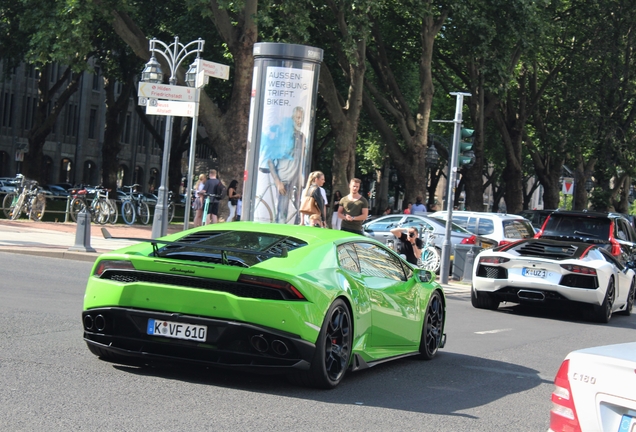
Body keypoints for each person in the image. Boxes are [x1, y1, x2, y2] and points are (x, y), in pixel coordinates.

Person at [263, 106, 306, 224]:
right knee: (282, 215)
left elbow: (302, 160)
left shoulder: (302, 137)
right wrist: (277, 182)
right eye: (297, 117)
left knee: (298, 215)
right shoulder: (282, 136)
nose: (299, 121)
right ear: (292, 118)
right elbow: (270, 160)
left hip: (297, 182)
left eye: (301, 118)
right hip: (284, 180)